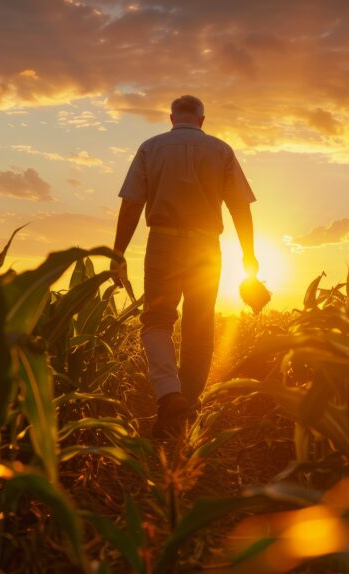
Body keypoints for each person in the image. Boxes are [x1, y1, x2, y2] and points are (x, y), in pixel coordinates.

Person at [111, 94, 258, 438]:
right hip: (207, 246)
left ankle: (169, 395)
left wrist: (118, 254)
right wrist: (248, 255)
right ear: (202, 120)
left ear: (172, 117)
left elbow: (132, 203)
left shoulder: (151, 147)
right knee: (199, 325)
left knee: (156, 321)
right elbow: (240, 207)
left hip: (163, 242)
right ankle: (187, 405)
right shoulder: (221, 150)